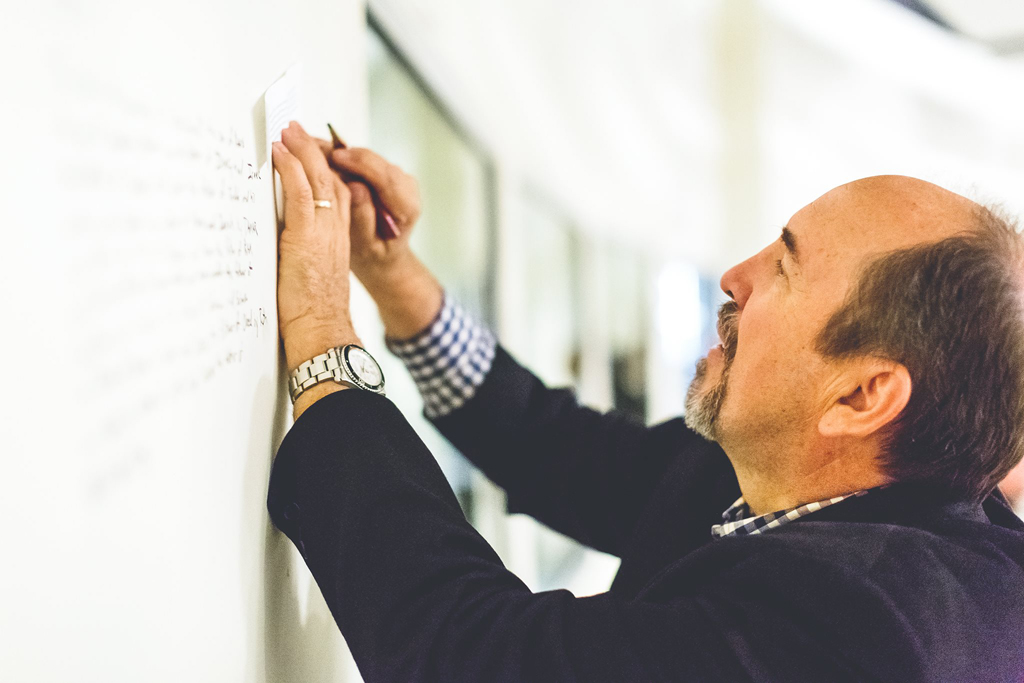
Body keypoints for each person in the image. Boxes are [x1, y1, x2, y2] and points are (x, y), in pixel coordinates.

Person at [266, 121, 1024, 682]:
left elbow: (476, 657)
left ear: (859, 396)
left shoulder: (865, 633)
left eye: (784, 271)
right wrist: (390, 272)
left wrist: (323, 332)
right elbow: (550, 446)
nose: (735, 275)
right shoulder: (792, 468)